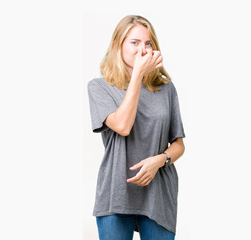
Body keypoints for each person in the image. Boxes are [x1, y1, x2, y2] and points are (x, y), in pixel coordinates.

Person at [87, 15, 186, 240]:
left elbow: (179, 144)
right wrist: (138, 76)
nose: (143, 49)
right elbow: (122, 126)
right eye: (135, 42)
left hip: (158, 193)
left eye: (148, 43)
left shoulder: (166, 89)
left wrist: (160, 160)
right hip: (116, 192)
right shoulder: (100, 87)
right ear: (117, 45)